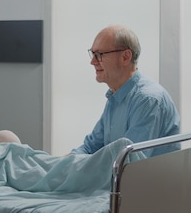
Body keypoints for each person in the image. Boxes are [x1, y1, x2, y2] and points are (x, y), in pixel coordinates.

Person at [71, 25, 180, 157]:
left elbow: (128, 162)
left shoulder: (147, 100)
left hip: (140, 177)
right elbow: (90, 147)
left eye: (99, 55)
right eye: (92, 54)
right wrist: (63, 165)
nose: (92, 61)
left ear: (125, 57)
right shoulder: (115, 97)